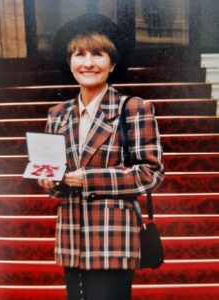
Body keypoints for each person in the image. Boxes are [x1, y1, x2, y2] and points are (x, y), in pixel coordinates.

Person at [38, 13, 164, 300]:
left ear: (113, 63)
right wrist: (50, 182)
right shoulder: (57, 115)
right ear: (69, 63)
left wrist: (88, 180)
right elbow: (55, 176)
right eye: (79, 54)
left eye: (98, 54)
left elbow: (150, 173)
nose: (88, 63)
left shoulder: (133, 108)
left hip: (113, 238)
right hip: (71, 237)